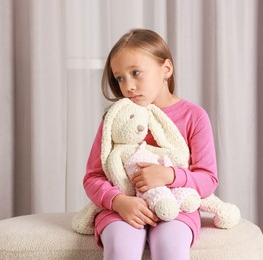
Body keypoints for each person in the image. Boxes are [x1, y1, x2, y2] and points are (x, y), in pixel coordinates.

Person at [83, 28, 218, 260]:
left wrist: (170, 176)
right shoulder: (116, 118)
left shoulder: (194, 116)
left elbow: (208, 179)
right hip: (123, 207)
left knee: (171, 248)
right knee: (121, 250)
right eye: (120, 78)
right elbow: (93, 177)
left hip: (174, 207)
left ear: (166, 69)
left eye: (136, 72)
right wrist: (118, 201)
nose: (128, 86)